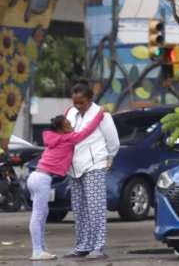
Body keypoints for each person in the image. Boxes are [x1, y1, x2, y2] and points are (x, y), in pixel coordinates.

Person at [28, 111, 109, 260]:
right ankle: (37, 251)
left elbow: (62, 122)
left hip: (34, 177)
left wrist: (68, 111)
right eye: (67, 125)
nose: (71, 126)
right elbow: (87, 131)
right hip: (42, 180)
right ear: (61, 130)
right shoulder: (68, 138)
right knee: (38, 215)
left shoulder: (53, 137)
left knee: (42, 214)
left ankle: (41, 248)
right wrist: (99, 115)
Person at [64, 78, 120, 260]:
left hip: (94, 165)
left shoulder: (102, 114)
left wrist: (107, 159)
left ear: (90, 99)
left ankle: (98, 247)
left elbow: (113, 142)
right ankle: (82, 246)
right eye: (75, 102)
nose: (78, 106)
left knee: (95, 207)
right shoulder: (71, 113)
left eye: (82, 102)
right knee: (79, 208)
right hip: (74, 167)